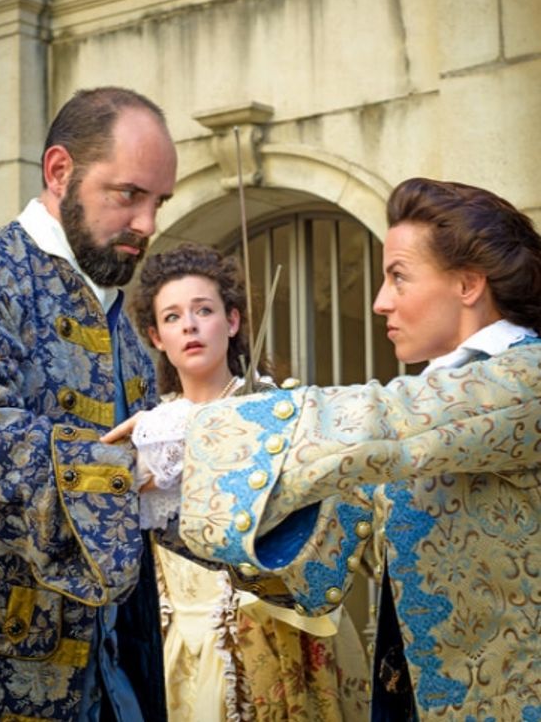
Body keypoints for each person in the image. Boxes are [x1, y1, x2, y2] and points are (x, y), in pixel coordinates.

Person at [177, 178, 541, 721]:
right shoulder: (432, 410)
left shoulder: (525, 375)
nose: (379, 302)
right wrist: (170, 498)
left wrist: (208, 432)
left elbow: (392, 421)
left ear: (467, 283)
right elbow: (326, 566)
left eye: (398, 277)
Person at [0, 86, 177, 721]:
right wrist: (143, 470)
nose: (148, 224)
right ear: (59, 171)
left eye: (159, 202)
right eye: (129, 194)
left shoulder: (123, 327)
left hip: (115, 681)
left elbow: (156, 514)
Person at [107, 243, 371, 721]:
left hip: (269, 634)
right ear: (156, 336)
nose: (189, 325)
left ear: (231, 322)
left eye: (203, 310)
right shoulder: (148, 430)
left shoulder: (275, 410)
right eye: (172, 317)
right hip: (172, 649)